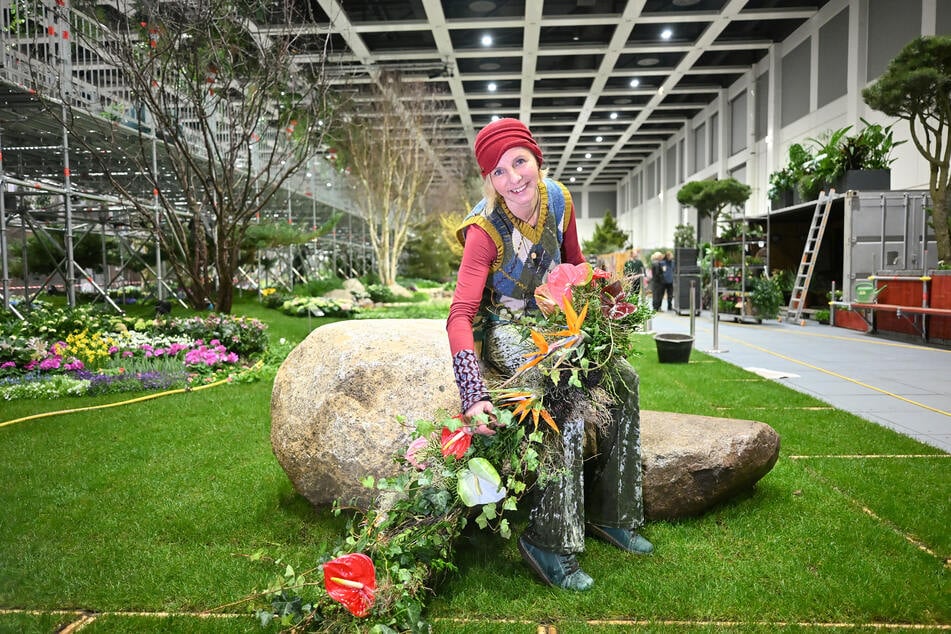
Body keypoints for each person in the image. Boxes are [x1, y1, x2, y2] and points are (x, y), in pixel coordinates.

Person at [446, 118, 653, 592]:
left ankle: (612, 513)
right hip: (508, 329)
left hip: (554, 322)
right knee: (566, 394)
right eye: (498, 172)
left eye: (519, 162)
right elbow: (459, 314)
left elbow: (574, 261)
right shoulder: (483, 231)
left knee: (624, 377)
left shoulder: (558, 199)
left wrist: (604, 293)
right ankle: (548, 540)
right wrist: (472, 393)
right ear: (489, 181)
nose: (513, 178)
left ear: (537, 160)